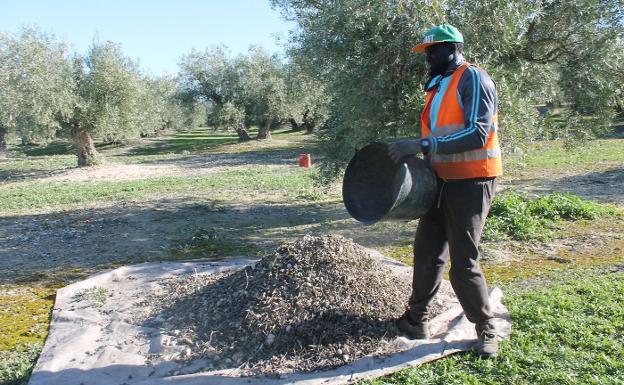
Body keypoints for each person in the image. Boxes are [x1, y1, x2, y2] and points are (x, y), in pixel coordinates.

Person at [388, 24, 502, 358]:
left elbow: (478, 133)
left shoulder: (473, 78)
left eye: (433, 51)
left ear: (452, 48)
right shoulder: (438, 84)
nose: (428, 59)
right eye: (426, 52)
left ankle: (486, 328)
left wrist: (423, 143)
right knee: (426, 251)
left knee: (464, 261)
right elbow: (441, 134)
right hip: (441, 181)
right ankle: (416, 320)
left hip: (472, 180)